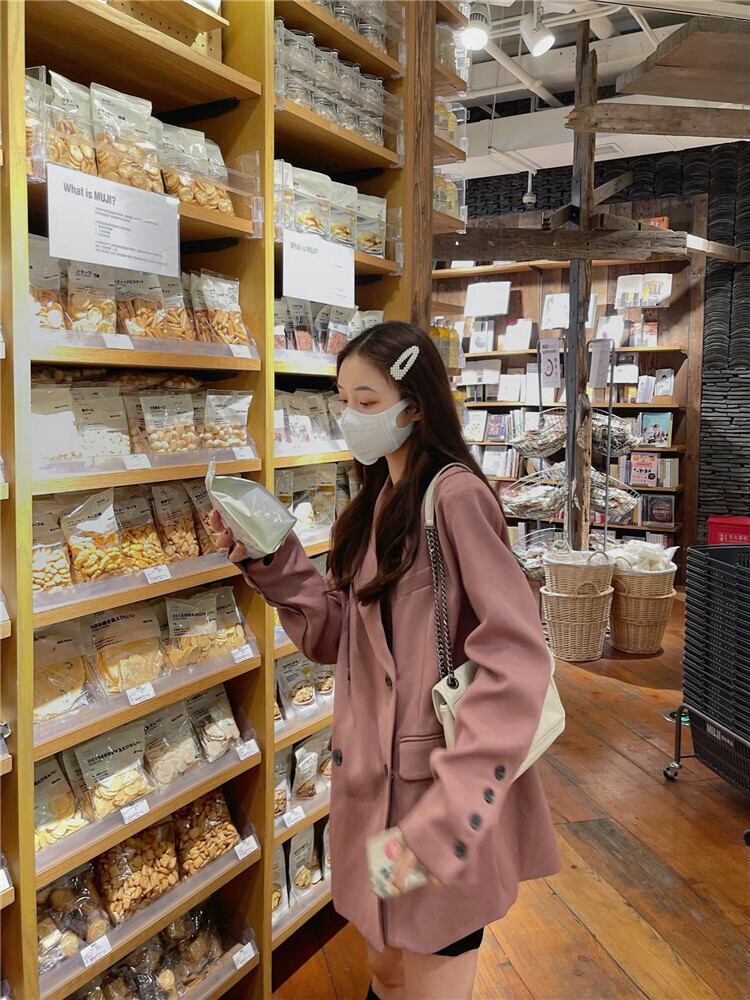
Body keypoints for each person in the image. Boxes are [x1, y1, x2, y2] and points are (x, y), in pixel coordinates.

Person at [211, 322, 560, 1000]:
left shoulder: (454, 497)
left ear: (416, 405)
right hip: (380, 804)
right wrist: (273, 558)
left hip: (436, 806)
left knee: (431, 970)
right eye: (343, 401)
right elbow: (338, 641)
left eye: (367, 402)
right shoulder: (378, 502)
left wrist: (456, 809)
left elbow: (516, 657)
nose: (350, 418)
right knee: (388, 970)